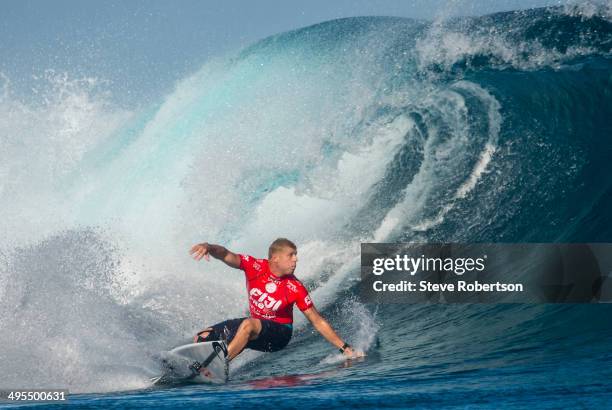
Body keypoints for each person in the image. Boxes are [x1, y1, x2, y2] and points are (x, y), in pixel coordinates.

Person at [189, 237, 362, 361]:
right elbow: (226, 254)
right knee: (202, 336)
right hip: (256, 326)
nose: (296, 259)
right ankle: (193, 365)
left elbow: (317, 321)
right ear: (275, 258)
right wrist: (209, 246)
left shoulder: (295, 287)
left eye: (296, 255)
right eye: (291, 255)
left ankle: (219, 364)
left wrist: (345, 348)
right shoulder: (255, 267)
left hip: (279, 335)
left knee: (249, 325)